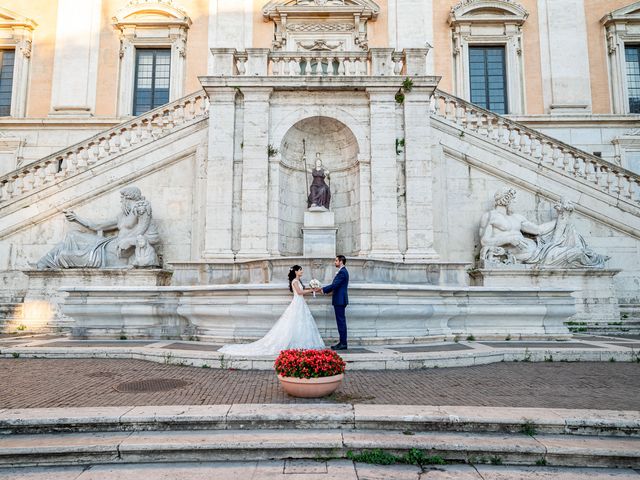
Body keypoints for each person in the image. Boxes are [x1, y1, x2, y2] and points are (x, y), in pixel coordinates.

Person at [36, 186, 159, 269]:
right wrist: (76, 218)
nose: (121, 202)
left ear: (128, 198)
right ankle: (43, 262)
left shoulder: (141, 209)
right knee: (72, 235)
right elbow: (97, 226)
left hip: (114, 252)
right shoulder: (121, 216)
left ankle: (47, 263)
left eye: (122, 199)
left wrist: (129, 241)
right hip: (108, 244)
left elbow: (150, 236)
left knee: (64, 255)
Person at [219, 265, 325, 356]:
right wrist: (312, 290)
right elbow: (299, 292)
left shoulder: (298, 281)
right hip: (297, 303)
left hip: (300, 303)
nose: (302, 271)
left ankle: (300, 343)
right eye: (300, 270)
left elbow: (302, 290)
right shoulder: (295, 281)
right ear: (296, 271)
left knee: (300, 323)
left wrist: (313, 290)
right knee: (294, 323)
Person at [317, 255, 349, 350]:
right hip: (339, 299)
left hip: (340, 300)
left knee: (341, 322)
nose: (335, 262)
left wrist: (322, 289)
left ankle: (343, 343)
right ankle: (342, 342)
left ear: (341, 262)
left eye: (336, 261)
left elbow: (335, 285)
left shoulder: (342, 272)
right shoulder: (342, 272)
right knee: (341, 321)